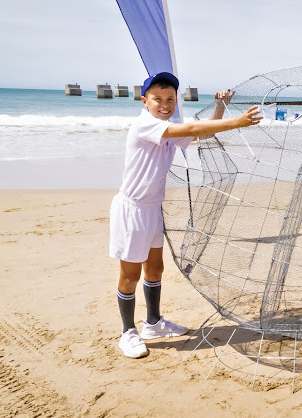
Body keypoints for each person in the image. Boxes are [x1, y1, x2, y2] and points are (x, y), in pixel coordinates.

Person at [110, 72, 261, 358]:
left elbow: (202, 132)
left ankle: (153, 323)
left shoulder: (167, 128)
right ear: (144, 101)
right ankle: (128, 332)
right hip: (132, 210)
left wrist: (221, 108)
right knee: (129, 276)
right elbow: (190, 126)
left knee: (155, 270)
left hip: (152, 208)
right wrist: (237, 122)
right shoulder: (146, 126)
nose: (164, 104)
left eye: (170, 99)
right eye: (158, 99)